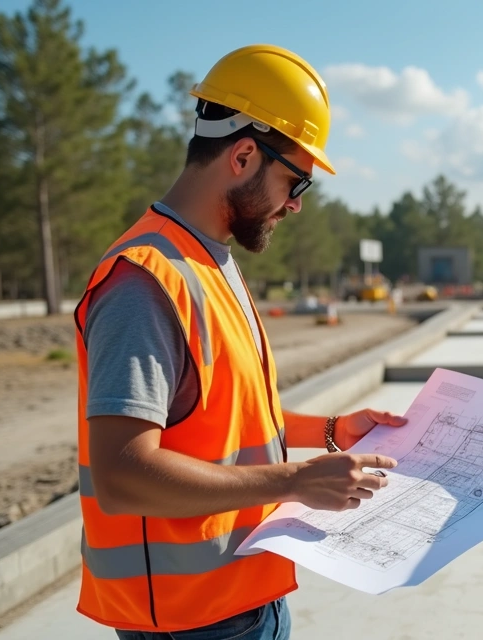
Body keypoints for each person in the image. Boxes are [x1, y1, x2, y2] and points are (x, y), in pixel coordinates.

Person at [73, 44, 404, 640]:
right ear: (244, 154)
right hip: (189, 620)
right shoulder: (145, 281)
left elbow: (224, 419)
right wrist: (296, 481)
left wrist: (329, 430)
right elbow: (121, 474)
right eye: (295, 179)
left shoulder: (208, 262)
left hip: (242, 598)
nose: (297, 204)